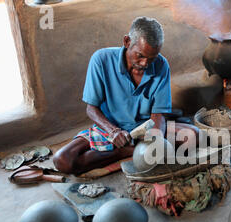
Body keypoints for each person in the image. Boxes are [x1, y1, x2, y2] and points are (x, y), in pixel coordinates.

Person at [53, 17, 198, 175]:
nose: (145, 64)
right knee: (63, 160)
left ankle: (127, 150)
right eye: (140, 56)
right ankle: (125, 152)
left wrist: (155, 138)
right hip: (110, 128)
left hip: (144, 129)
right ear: (127, 41)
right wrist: (113, 131)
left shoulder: (161, 65)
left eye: (152, 58)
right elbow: (91, 109)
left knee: (192, 136)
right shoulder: (101, 60)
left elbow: (157, 114)